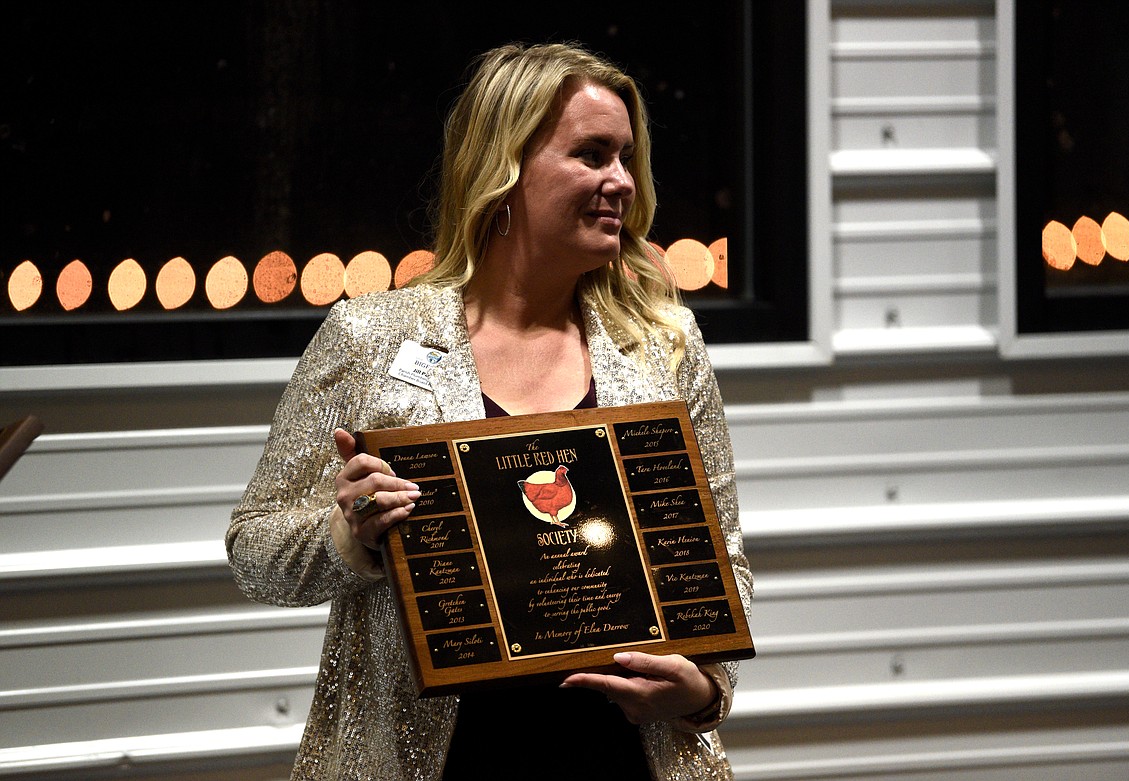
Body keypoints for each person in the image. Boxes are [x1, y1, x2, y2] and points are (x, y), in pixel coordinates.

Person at [227, 41, 752, 780]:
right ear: (504, 168)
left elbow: (719, 559)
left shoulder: (662, 344)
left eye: (628, 158)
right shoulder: (371, 338)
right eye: (593, 155)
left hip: (624, 757)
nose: (622, 182)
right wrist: (351, 534)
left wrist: (703, 690)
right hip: (434, 759)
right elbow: (255, 554)